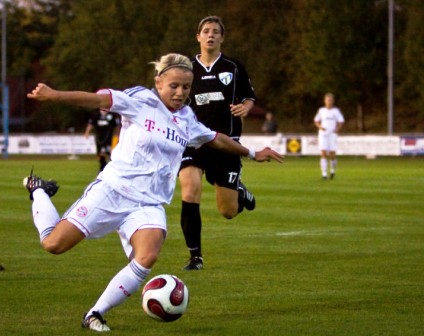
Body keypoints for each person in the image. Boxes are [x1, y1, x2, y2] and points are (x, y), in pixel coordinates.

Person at [25, 53, 284, 332]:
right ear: (158, 82)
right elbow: (98, 99)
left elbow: (216, 139)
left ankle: (95, 314)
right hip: (113, 190)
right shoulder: (140, 100)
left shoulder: (186, 119)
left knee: (147, 256)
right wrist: (54, 96)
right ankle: (39, 191)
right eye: (174, 86)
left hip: (148, 204)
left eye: (186, 87)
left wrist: (254, 152)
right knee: (53, 245)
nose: (180, 93)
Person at [178, 16, 260, 271]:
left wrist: (245, 108)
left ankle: (240, 192)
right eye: (206, 31)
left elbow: (249, 97)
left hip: (226, 142)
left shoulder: (234, 67)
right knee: (190, 189)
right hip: (193, 141)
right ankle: (196, 257)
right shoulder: (186, 67)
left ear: (222, 38)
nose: (210, 35)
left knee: (228, 211)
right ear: (198, 37)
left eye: (215, 31)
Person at [313, 93, 344, 179]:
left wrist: (337, 129)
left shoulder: (336, 111)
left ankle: (332, 170)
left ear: (333, 101)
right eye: (327, 100)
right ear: (325, 101)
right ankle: (324, 174)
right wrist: (320, 127)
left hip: (332, 134)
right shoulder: (321, 110)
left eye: (330, 100)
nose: (329, 102)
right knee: (323, 153)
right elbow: (316, 121)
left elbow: (341, 121)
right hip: (323, 134)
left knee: (332, 154)